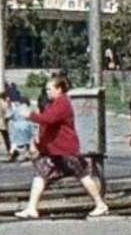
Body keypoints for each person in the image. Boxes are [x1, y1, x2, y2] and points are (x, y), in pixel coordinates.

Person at [16, 75, 111, 218]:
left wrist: (30, 115)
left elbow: (48, 119)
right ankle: (31, 208)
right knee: (40, 175)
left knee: (83, 175)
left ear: (59, 89)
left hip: (65, 149)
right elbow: (46, 125)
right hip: (53, 151)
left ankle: (100, 204)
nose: (47, 92)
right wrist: (39, 143)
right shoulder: (52, 104)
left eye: (50, 89)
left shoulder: (62, 103)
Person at [6, 95, 36, 163]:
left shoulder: (16, 109)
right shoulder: (29, 109)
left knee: (15, 142)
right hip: (27, 125)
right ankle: (27, 154)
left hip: (16, 126)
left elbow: (9, 116)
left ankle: (11, 152)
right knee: (28, 141)